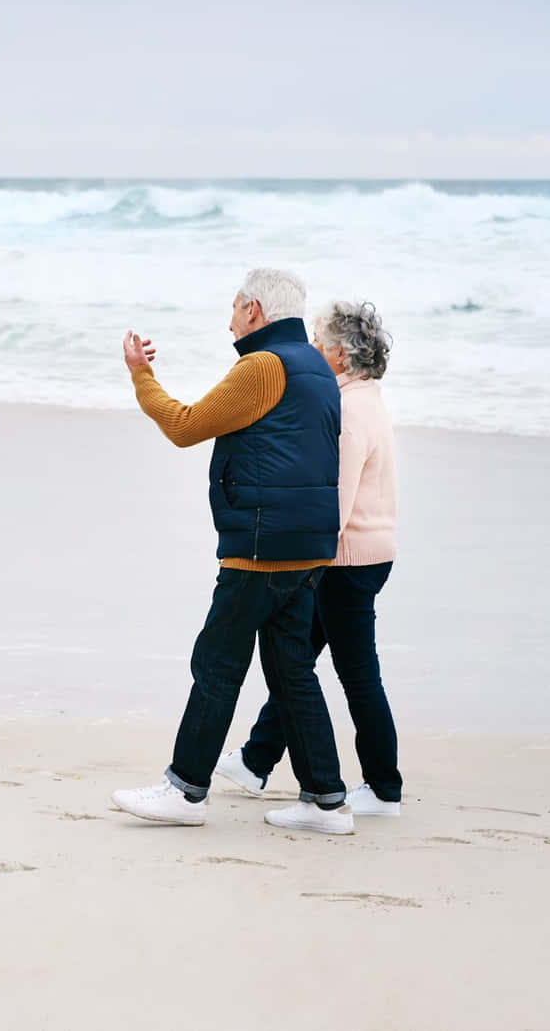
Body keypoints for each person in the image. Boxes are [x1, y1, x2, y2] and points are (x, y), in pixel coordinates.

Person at [110, 267, 354, 835]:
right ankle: (326, 802)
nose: (228, 320)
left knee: (218, 662)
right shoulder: (317, 365)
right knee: (293, 671)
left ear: (253, 309)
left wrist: (141, 376)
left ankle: (185, 790)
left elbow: (185, 424)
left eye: (233, 308)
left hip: (262, 546)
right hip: (308, 544)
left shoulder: (263, 366)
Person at [218, 301, 403, 814]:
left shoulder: (348, 413)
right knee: (296, 665)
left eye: (319, 343)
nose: (312, 350)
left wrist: (308, 564)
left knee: (354, 673)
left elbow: (334, 498)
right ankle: (255, 760)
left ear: (340, 355)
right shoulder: (368, 399)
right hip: (366, 555)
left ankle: (384, 788)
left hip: (345, 560)